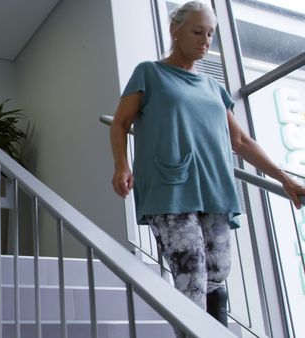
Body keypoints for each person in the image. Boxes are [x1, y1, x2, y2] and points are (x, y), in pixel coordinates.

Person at [109, 0, 305, 334]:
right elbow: (120, 122)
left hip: (214, 191)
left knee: (216, 277)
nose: (205, 40)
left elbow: (241, 141)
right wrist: (121, 165)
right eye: (198, 31)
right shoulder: (150, 73)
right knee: (192, 276)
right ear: (175, 31)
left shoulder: (214, 87)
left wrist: (284, 179)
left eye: (211, 34)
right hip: (169, 190)